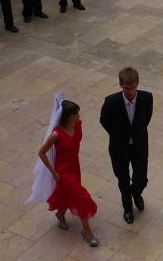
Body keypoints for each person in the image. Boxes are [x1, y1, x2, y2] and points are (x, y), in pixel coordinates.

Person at [38, 100, 99, 246]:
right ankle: (87, 232)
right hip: (63, 172)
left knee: (69, 195)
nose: (79, 115)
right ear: (69, 116)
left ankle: (60, 214)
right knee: (81, 198)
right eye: (76, 114)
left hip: (75, 167)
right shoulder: (56, 134)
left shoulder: (77, 125)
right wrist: (53, 173)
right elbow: (41, 153)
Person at [100, 67, 153, 224]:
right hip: (119, 148)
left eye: (132, 87)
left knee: (141, 179)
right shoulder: (111, 101)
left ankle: (136, 192)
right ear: (121, 85)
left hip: (139, 146)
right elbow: (104, 120)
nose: (129, 92)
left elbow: (146, 118)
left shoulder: (147, 98)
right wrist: (117, 134)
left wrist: (136, 133)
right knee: (123, 180)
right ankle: (128, 208)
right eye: (126, 88)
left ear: (137, 84)